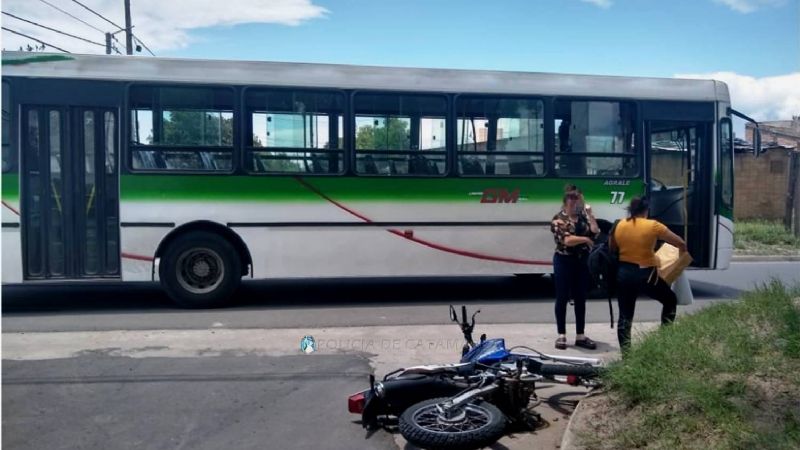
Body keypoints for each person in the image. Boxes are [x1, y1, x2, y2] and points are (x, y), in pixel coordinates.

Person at [610, 196, 687, 350]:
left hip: (624, 274)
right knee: (670, 300)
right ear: (646, 210)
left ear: (631, 210)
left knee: (625, 315)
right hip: (646, 275)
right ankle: (665, 339)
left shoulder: (619, 224)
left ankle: (626, 355)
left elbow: (612, 248)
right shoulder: (653, 225)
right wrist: (681, 255)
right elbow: (680, 242)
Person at [550, 185, 599, 350]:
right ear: (565, 203)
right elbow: (567, 240)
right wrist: (585, 240)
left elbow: (595, 231)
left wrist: (590, 215)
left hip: (581, 261)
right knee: (562, 297)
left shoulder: (583, 218)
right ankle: (561, 335)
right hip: (564, 261)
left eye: (577, 201)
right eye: (571, 202)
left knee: (580, 298)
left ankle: (580, 335)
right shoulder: (559, 219)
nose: (574, 205)